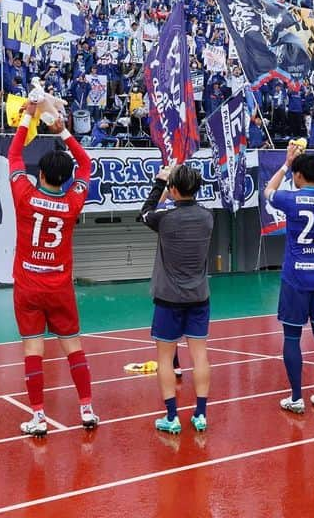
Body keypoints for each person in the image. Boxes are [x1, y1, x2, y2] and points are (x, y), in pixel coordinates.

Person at [8, 103, 98, 435]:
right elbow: (87, 164)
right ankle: (86, 409)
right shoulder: (73, 201)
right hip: (59, 286)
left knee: (33, 350)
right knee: (73, 345)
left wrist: (28, 116)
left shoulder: (24, 196)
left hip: (28, 286)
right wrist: (61, 129)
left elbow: (15, 156)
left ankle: (38, 416)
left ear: (41, 175)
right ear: (65, 177)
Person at [264, 145, 314, 412]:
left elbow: (267, 192)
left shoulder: (291, 198)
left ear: (298, 175)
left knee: (293, 338)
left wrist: (286, 164)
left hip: (296, 277)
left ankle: (296, 397)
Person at [140, 164, 214, 433]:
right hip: (198, 297)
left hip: (168, 299)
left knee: (164, 358)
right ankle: (201, 414)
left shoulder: (165, 218)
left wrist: (160, 182)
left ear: (173, 190)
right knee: (200, 357)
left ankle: (172, 417)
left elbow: (146, 212)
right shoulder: (207, 217)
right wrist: (174, 183)